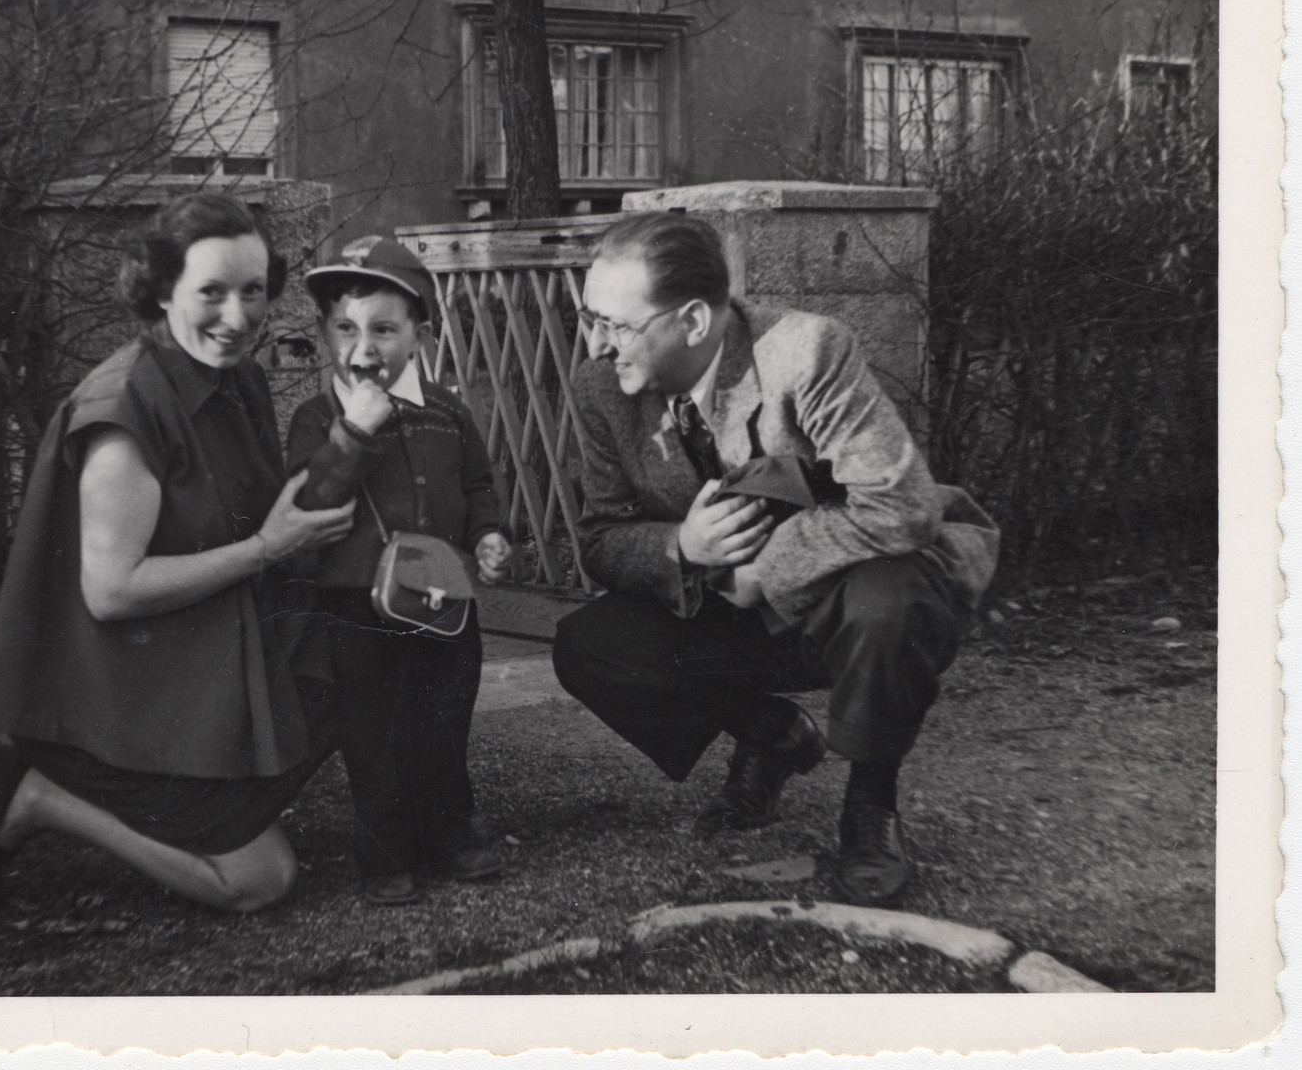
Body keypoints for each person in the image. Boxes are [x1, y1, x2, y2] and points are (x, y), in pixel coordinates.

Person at [552, 211, 999, 906]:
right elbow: (603, 538)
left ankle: (871, 806)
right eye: (591, 319)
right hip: (726, 606)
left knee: (894, 599)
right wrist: (681, 547)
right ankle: (775, 735)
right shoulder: (601, 388)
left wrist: (766, 570)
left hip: (846, 593)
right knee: (591, 646)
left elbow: (902, 508)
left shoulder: (806, 352)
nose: (599, 343)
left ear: (695, 322)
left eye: (618, 325)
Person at [0, 193, 356, 913]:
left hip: (190, 657)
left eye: (253, 291)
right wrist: (268, 548)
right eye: (211, 293)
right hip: (115, 691)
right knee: (259, 882)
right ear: (162, 290)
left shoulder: (238, 380)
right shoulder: (124, 407)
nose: (237, 317)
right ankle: (38, 791)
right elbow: (113, 591)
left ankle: (209, 800)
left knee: (364, 655)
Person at [285, 237, 513, 906]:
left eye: (384, 329)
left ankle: (451, 831)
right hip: (356, 605)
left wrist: (491, 533)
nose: (365, 347)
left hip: (443, 596)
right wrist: (351, 434)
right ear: (327, 333)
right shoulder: (317, 417)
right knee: (373, 729)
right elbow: (308, 500)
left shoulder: (447, 413)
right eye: (346, 329)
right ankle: (386, 851)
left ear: (419, 331)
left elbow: (478, 486)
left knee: (444, 716)